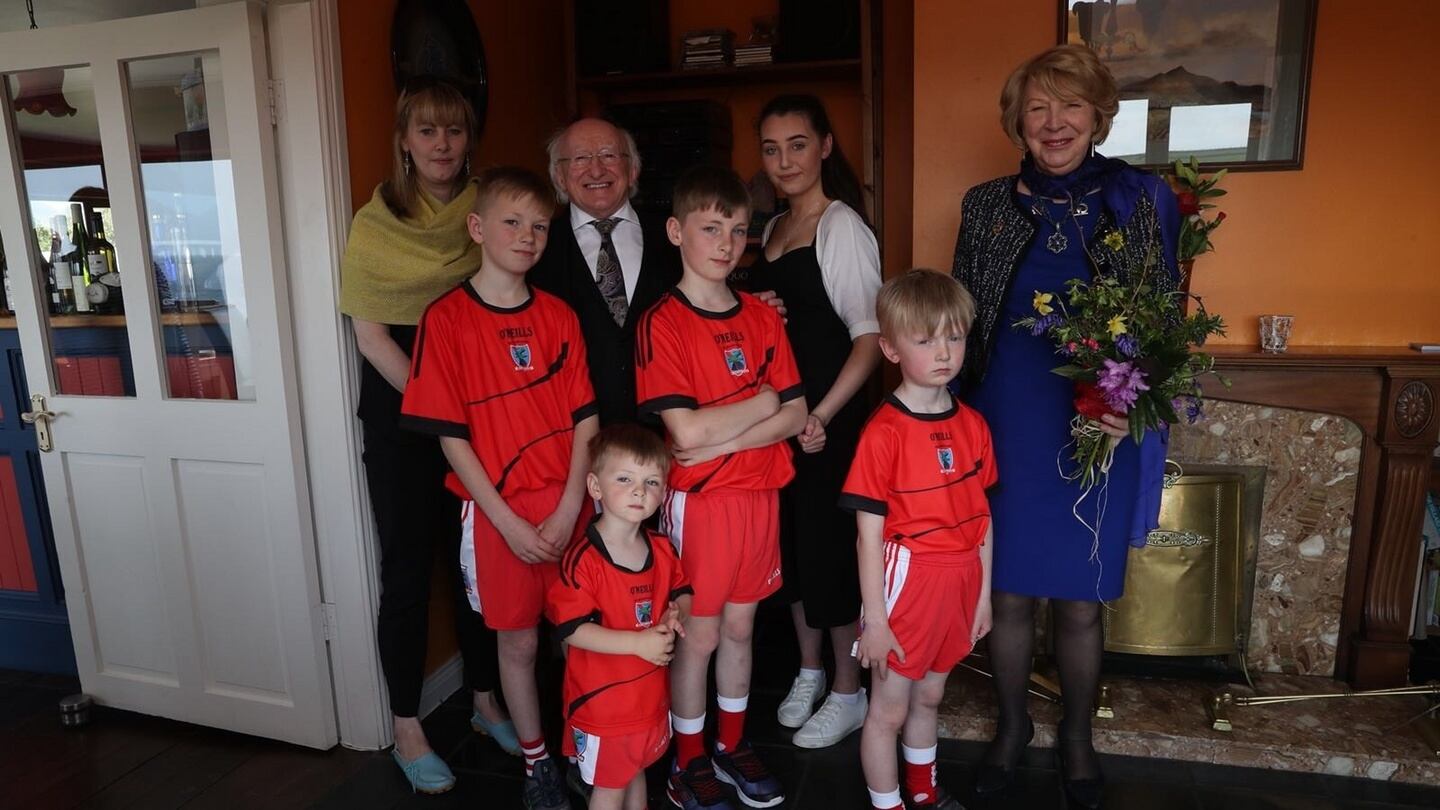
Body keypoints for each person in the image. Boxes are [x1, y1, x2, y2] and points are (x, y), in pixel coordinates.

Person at [950, 44, 1179, 809]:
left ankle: (1077, 737)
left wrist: (1128, 399)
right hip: (1006, 412)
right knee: (1009, 591)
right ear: (1017, 121)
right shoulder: (985, 205)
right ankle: (1012, 730)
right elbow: (960, 322)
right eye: (1038, 109)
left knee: (1081, 597)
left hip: (1095, 417)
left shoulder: (1141, 198)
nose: (1055, 124)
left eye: (1070, 107)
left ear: (1098, 116)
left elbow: (1163, 320)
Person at [400, 166, 600, 810]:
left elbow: (584, 420)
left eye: (540, 225)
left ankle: (581, 752)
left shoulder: (560, 316)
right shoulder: (448, 320)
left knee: (579, 637)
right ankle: (538, 764)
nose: (527, 235)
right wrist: (509, 522)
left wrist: (572, 504)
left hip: (569, 507)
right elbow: (450, 435)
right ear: (478, 227)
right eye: (512, 222)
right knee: (516, 640)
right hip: (496, 516)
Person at [338, 78, 513, 795]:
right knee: (408, 574)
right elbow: (371, 336)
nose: (443, 145)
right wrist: (438, 403)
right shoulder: (374, 227)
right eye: (428, 132)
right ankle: (407, 724)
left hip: (484, 415)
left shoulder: (490, 213)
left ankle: (483, 699)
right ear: (405, 141)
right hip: (408, 419)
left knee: (476, 568)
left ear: (469, 139)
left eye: (454, 131)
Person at [635, 166, 807, 810]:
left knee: (741, 629)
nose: (727, 243)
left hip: (758, 495)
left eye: (738, 230)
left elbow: (796, 410)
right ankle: (688, 760)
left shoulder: (761, 318)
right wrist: (760, 401)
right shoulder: (665, 322)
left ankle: (731, 743)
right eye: (712, 228)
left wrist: (731, 436)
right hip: (700, 505)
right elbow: (683, 431)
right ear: (677, 231)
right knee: (699, 634)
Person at [748, 94, 881, 749]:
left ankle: (849, 690)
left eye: (797, 145)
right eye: (771, 149)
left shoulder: (841, 227)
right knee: (792, 553)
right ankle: (809, 670)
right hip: (780, 422)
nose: (784, 161)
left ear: (826, 146)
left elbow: (868, 337)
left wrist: (823, 415)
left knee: (830, 556)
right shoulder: (770, 229)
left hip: (828, 425)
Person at [841, 269, 995, 810]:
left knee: (930, 695)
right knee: (889, 708)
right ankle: (889, 805)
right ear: (890, 348)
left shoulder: (974, 425)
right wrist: (876, 621)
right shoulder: (882, 433)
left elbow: (982, 519)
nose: (944, 352)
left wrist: (981, 596)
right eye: (925, 340)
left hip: (960, 582)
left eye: (954, 336)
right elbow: (868, 538)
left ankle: (923, 794)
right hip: (908, 583)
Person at [547, 424, 694, 810]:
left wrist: (676, 614)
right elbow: (572, 629)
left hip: (647, 702)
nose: (639, 491)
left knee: (635, 772)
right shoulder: (584, 561)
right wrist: (638, 643)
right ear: (595, 487)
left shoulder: (662, 548)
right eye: (625, 478)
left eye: (651, 482)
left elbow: (683, 592)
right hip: (604, 708)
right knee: (609, 790)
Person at [530, 118, 682, 426]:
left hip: (669, 438)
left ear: (633, 169)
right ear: (559, 175)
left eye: (609, 155)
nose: (596, 170)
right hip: (572, 442)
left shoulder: (676, 237)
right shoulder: (535, 249)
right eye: (581, 158)